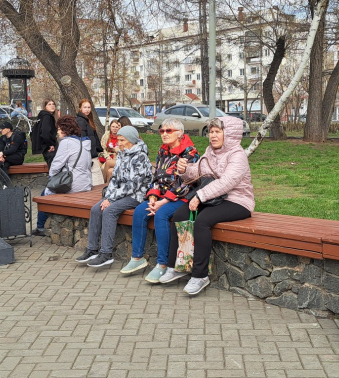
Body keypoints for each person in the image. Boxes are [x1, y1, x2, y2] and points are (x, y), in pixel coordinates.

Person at [161, 116, 255, 295]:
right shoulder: (210, 152)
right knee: (179, 215)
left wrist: (200, 196)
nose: (213, 135)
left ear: (229, 134)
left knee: (202, 221)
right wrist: (184, 169)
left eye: (218, 131)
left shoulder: (238, 155)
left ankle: (200, 275)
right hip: (213, 198)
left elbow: (227, 182)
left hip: (237, 200)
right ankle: (175, 266)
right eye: (211, 132)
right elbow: (197, 172)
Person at [119, 118, 199, 281]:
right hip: (162, 195)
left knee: (161, 215)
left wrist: (163, 202)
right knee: (140, 211)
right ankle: (137, 257)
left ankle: (163, 264)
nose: (164, 134)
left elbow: (186, 183)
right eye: (162, 131)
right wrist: (153, 196)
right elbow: (156, 176)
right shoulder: (163, 151)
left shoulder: (190, 153)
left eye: (169, 131)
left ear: (179, 133)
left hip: (182, 197)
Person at [76, 126, 153, 268]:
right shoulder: (122, 154)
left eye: (122, 140)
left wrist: (111, 200)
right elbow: (114, 180)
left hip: (137, 196)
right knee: (96, 209)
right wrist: (108, 197)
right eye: (118, 140)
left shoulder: (140, 157)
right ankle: (92, 249)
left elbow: (133, 186)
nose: (119, 143)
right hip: (122, 194)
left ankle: (106, 254)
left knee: (109, 211)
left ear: (131, 140)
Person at [33, 115, 93, 236]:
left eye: (59, 129)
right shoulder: (85, 142)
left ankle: (40, 227)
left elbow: (56, 165)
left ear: (66, 130)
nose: (57, 131)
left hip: (72, 184)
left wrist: (51, 179)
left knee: (45, 193)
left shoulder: (66, 143)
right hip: (86, 183)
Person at [0, 120, 27, 184]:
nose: (1, 130)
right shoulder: (2, 138)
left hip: (18, 158)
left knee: (4, 160)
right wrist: (0, 155)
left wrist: (2, 154)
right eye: (0, 129)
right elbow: (0, 149)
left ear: (8, 130)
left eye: (2, 129)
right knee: (5, 165)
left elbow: (13, 149)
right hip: (8, 158)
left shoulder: (17, 137)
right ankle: (6, 185)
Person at [76, 99, 104, 185]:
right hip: (89, 154)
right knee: (97, 179)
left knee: (95, 178)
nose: (87, 109)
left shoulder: (88, 120)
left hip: (92, 153)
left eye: (89, 107)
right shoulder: (81, 121)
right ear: (80, 108)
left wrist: (99, 149)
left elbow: (93, 137)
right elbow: (83, 139)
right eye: (85, 107)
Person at [31, 98, 58, 165]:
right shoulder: (47, 117)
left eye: (53, 104)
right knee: (54, 166)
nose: (52, 106)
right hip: (48, 147)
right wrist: (50, 144)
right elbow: (45, 132)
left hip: (45, 146)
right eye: (49, 104)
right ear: (45, 107)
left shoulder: (43, 116)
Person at [99, 119, 121, 183]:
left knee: (105, 168)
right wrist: (107, 156)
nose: (114, 129)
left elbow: (122, 149)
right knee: (98, 167)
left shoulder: (120, 137)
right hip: (106, 155)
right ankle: (101, 183)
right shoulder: (106, 135)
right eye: (113, 127)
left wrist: (115, 149)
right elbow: (102, 148)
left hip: (116, 156)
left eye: (116, 127)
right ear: (110, 127)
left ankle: (104, 183)